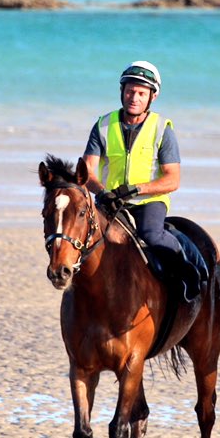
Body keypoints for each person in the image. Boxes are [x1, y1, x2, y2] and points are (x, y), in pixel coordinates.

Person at [83, 61, 199, 297]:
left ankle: (186, 268)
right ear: (121, 91)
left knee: (151, 235)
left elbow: (172, 179)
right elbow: (86, 172)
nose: (134, 98)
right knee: (83, 239)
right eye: (129, 91)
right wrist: (102, 191)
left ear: (152, 97)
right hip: (110, 200)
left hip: (148, 202)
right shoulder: (103, 125)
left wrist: (136, 190)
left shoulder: (162, 129)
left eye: (141, 93)